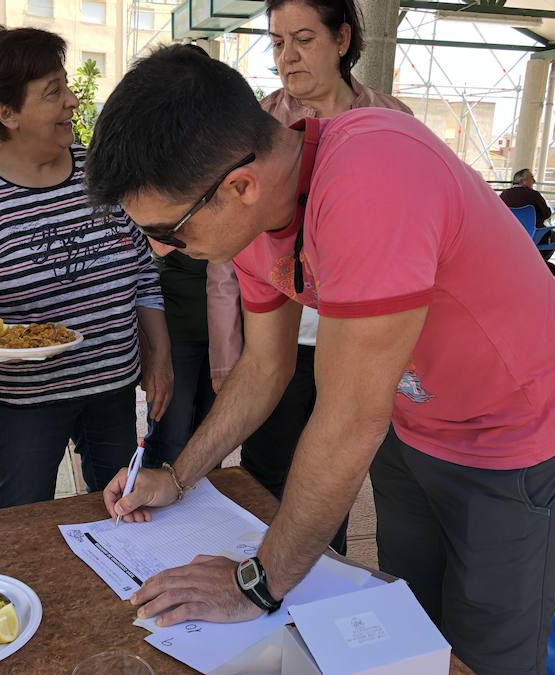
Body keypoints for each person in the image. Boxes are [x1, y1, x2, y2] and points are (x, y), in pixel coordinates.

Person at [87, 46, 555, 675]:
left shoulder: (372, 175)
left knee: (490, 645)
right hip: (415, 420)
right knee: (408, 621)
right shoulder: (254, 218)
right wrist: (178, 472)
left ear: (240, 186)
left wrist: (258, 583)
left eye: (168, 232)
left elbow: (349, 418)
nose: (161, 252)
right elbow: (263, 368)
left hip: (518, 426)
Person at [0, 26, 170, 509]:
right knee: (21, 516)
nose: (72, 102)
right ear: (6, 113)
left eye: (67, 87)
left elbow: (143, 270)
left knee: (120, 507)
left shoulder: (104, 174)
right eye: (53, 92)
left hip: (111, 383)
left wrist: (158, 357)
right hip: (23, 401)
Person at [206, 0, 412, 555]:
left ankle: (317, 575)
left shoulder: (392, 124)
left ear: (342, 39)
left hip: (363, 341)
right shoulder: (258, 128)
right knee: (266, 473)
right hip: (281, 335)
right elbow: (228, 259)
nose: (287, 57)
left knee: (335, 473)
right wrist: (229, 356)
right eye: (276, 43)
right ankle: (256, 576)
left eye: (303, 39)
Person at [142, 240, 216, 468]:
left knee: (213, 436)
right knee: (171, 437)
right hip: (177, 326)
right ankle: (156, 498)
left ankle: (206, 502)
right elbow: (159, 243)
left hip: (229, 330)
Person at [500, 168, 555, 274]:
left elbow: (498, 213)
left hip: (510, 234)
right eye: (531, 178)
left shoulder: (504, 194)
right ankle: (539, 262)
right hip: (534, 236)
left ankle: (531, 261)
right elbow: (547, 214)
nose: (534, 181)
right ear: (522, 181)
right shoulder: (534, 195)